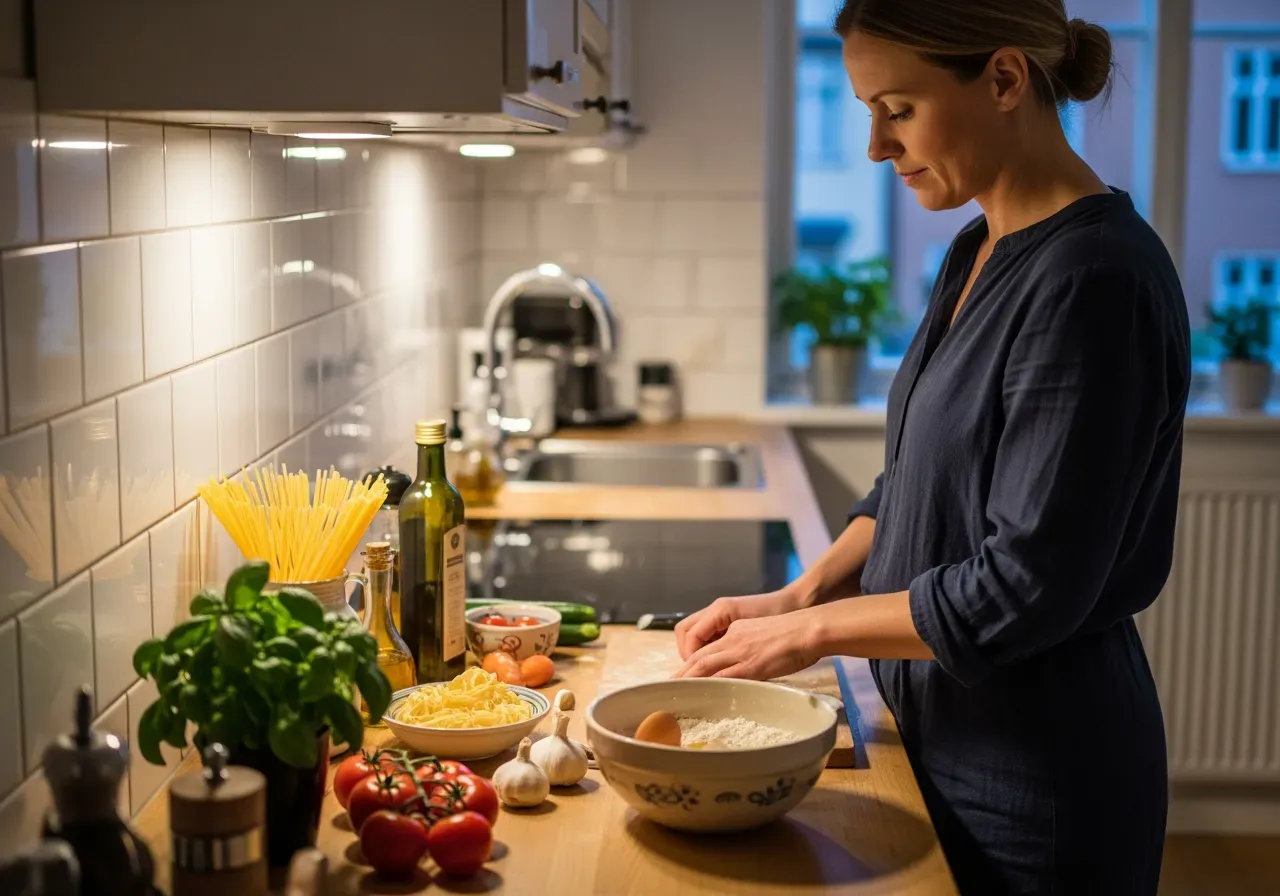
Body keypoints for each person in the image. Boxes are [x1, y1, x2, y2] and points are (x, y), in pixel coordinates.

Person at [674, 1, 1190, 893]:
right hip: (941, 736)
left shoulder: (1093, 279)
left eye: (898, 110)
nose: (878, 147)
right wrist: (798, 594)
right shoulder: (978, 249)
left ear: (1004, 79)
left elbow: (1024, 586)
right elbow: (916, 480)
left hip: (1034, 782)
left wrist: (809, 634)